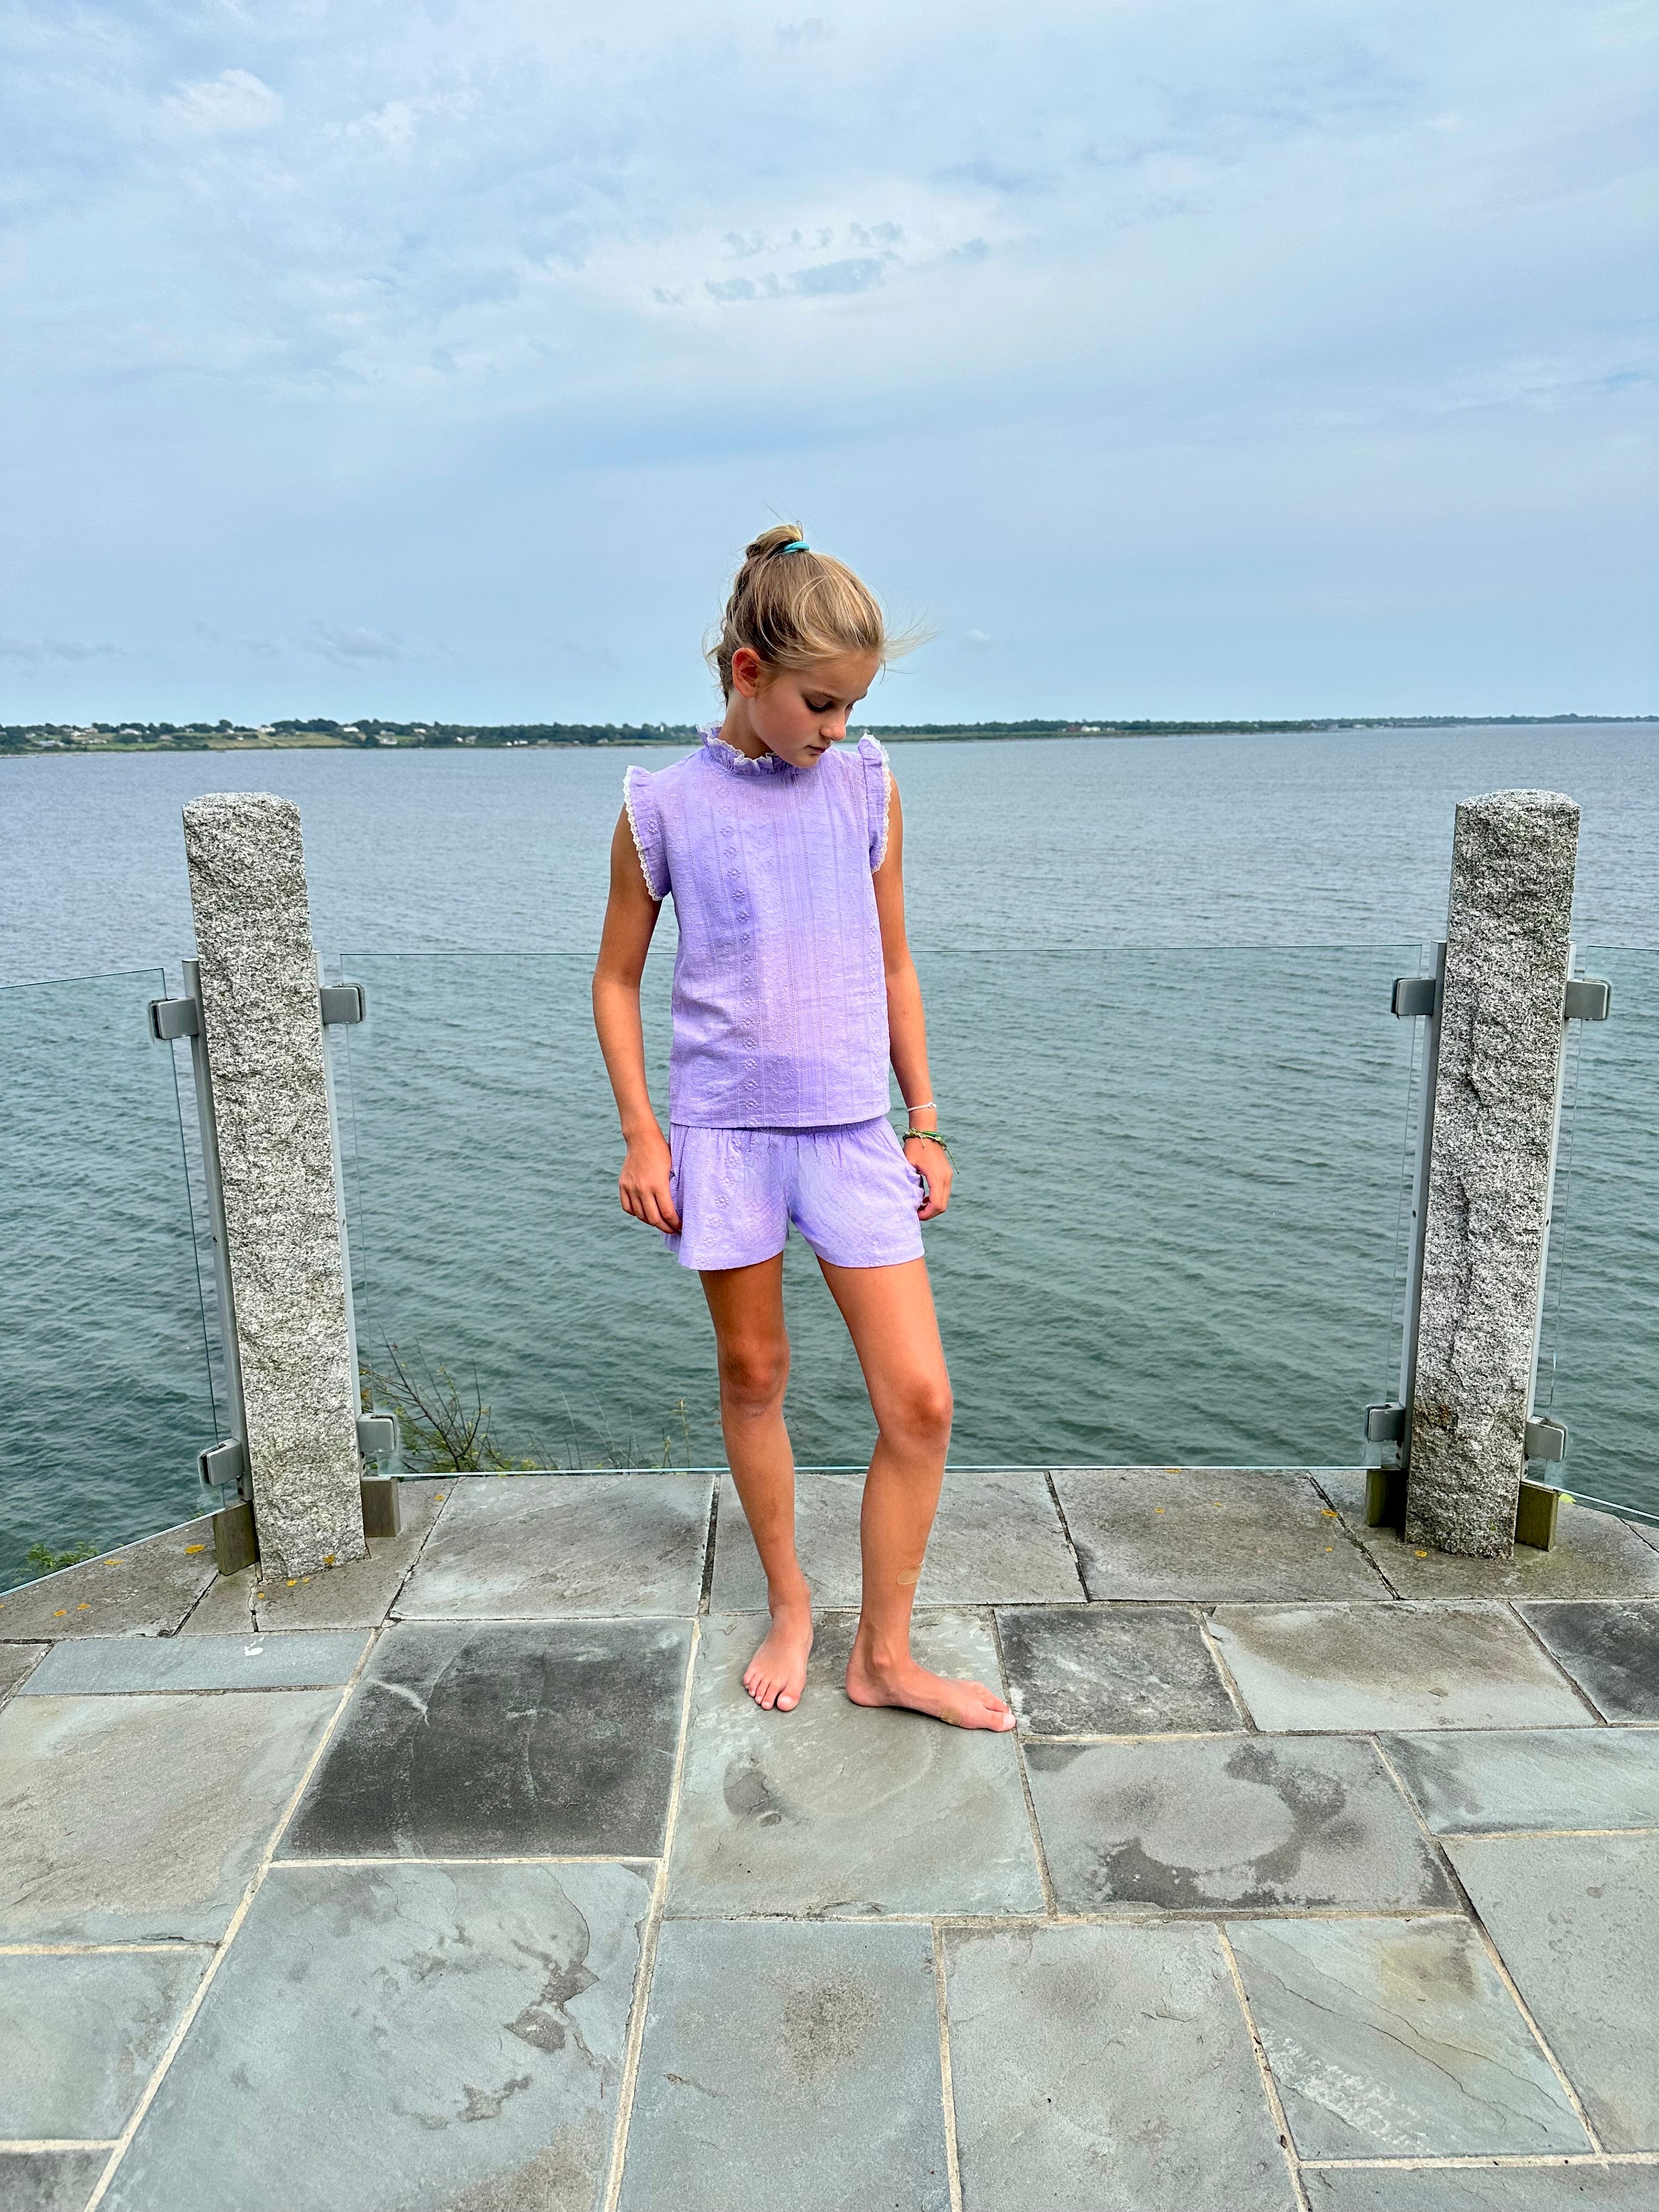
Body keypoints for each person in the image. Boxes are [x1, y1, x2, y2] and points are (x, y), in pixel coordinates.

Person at [592, 526, 1014, 1731]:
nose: (836, 727)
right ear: (744, 672)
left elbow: (893, 962)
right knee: (755, 1375)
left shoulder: (869, 784)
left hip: (851, 1135)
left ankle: (886, 1656)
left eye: (852, 705)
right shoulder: (661, 807)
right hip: (724, 1137)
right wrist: (642, 1133)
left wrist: (924, 1123)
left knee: (921, 1402)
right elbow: (617, 979)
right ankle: (790, 1601)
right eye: (819, 703)